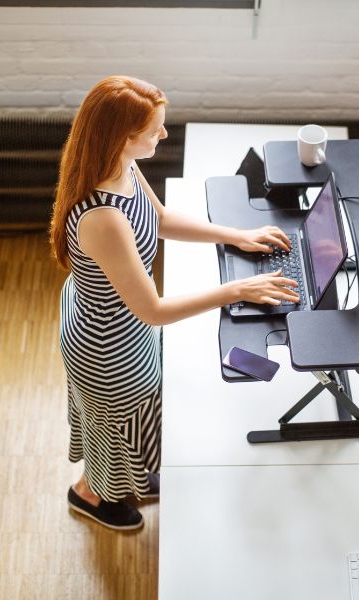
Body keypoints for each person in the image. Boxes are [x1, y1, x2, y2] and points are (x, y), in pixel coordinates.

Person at [50, 75, 299, 530]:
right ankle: (90, 495)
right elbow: (155, 311)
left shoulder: (120, 164)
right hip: (107, 344)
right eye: (154, 130)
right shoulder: (103, 218)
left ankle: (127, 477)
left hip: (118, 321)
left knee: (133, 418)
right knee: (115, 426)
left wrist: (237, 235)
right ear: (124, 137)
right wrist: (239, 289)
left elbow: (160, 220)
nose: (163, 135)